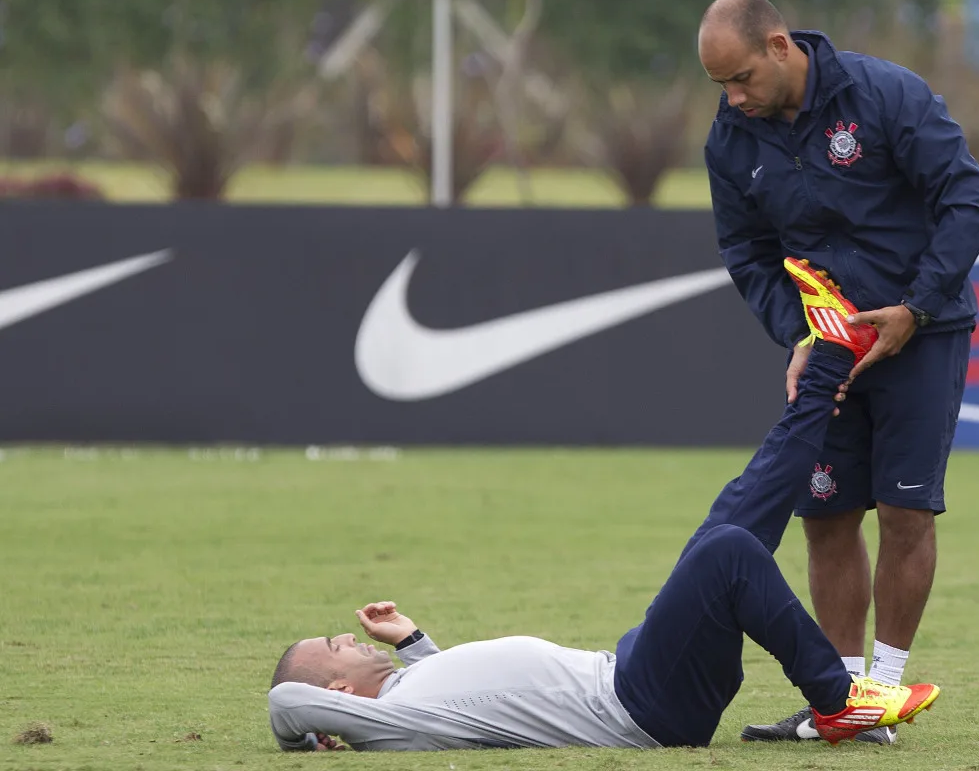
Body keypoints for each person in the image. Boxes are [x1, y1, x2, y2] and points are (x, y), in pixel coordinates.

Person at [266, 267, 941, 753]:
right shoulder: (390, 724)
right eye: (337, 648)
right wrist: (325, 724)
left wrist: (413, 641)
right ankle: (839, 701)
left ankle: (830, 355)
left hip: (635, 672)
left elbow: (477, 700)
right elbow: (286, 705)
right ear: (336, 696)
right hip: (640, 706)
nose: (349, 637)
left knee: (738, 512)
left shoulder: (411, 694)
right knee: (728, 552)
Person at [697, 0, 979, 744]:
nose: (733, 99)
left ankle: (882, 693)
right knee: (825, 517)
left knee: (905, 512)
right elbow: (746, 253)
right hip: (829, 354)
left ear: (778, 46)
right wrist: (796, 331)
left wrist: (916, 308)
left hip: (920, 335)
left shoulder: (885, 94)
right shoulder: (732, 137)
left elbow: (967, 201)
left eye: (740, 79)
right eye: (720, 86)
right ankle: (841, 702)